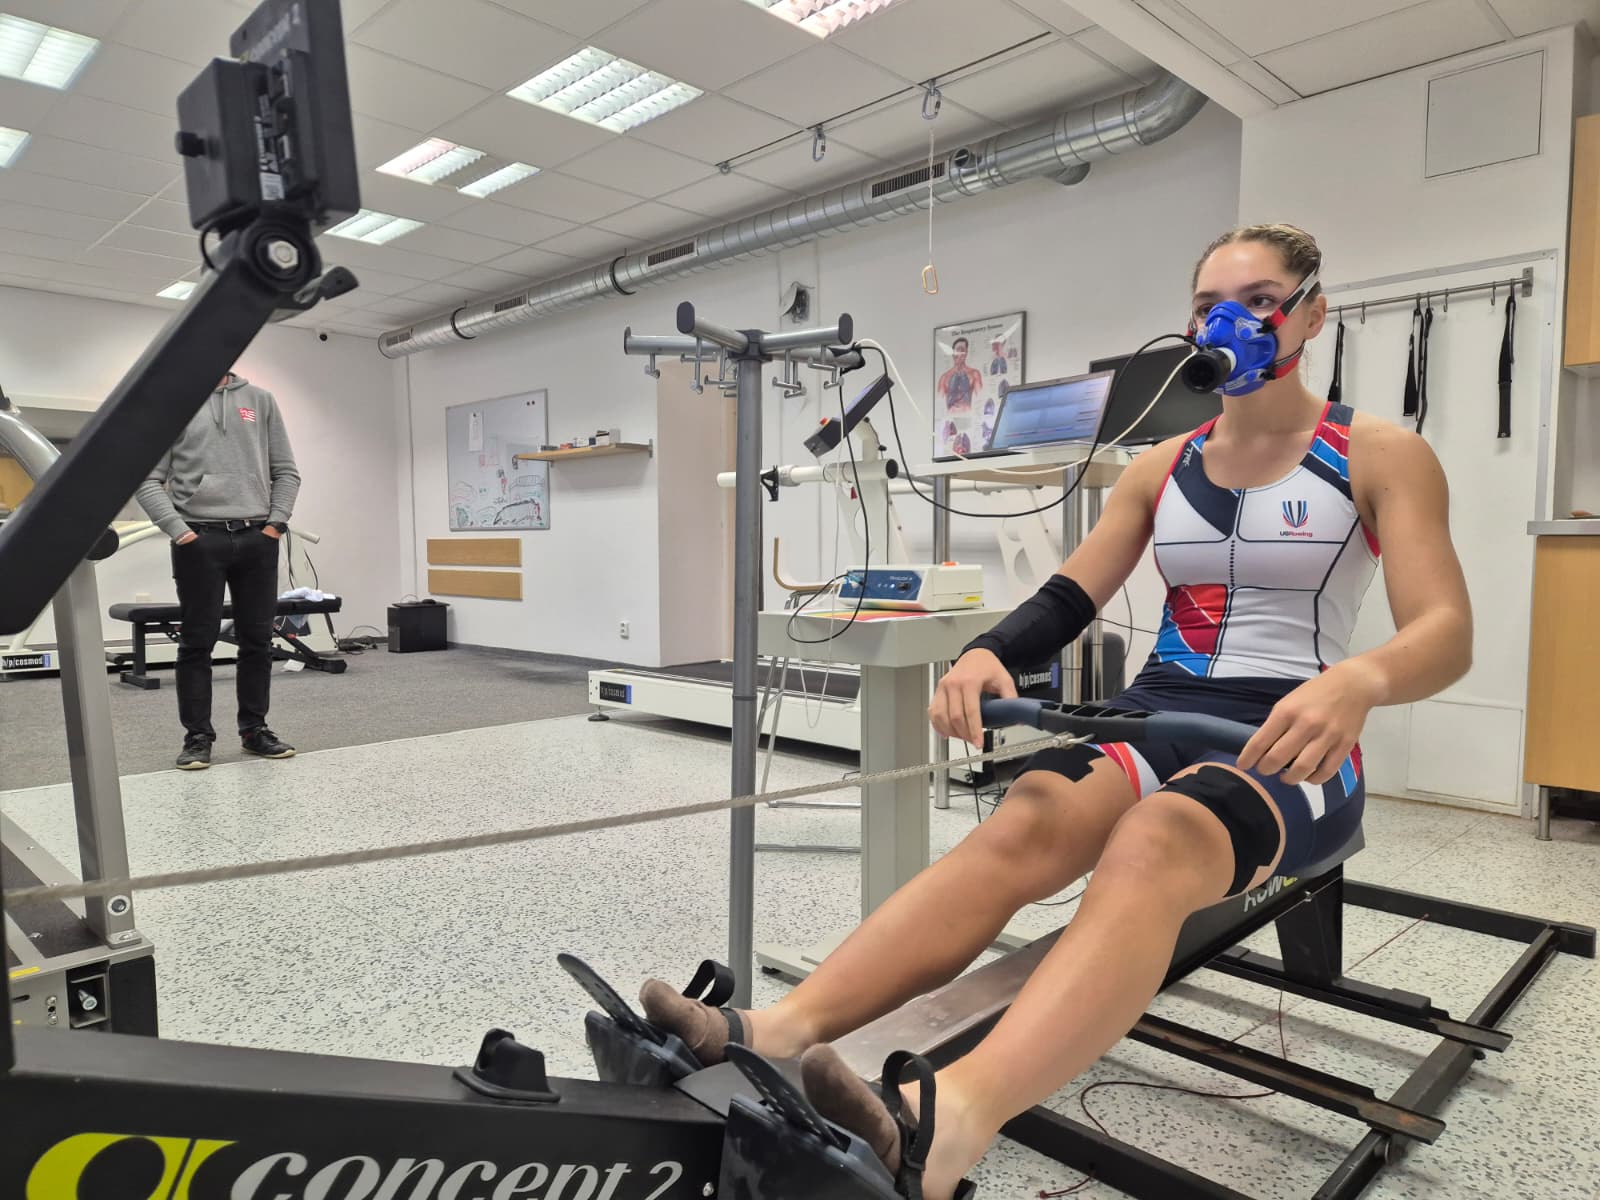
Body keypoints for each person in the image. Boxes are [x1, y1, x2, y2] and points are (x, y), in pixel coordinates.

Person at [636, 224, 1474, 1200]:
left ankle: (946, 1124)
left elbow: (1446, 630)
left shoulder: (1375, 452)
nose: (1228, 324)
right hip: (1158, 714)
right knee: (1028, 813)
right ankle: (773, 1030)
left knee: (1157, 840)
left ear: (1311, 313)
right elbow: (1069, 595)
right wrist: (986, 651)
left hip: (1291, 740)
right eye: (1207, 307)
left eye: (1256, 301)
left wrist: (1360, 681)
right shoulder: (1163, 467)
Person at [136, 371, 301, 770]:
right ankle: (197, 737)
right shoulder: (174, 404)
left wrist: (275, 524)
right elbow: (147, 479)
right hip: (199, 540)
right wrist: (179, 531)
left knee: (257, 641)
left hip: (257, 537)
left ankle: (254, 730)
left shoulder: (260, 400)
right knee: (197, 642)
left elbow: (287, 472)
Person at [937, 336, 982, 414]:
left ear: (966, 353)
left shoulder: (974, 374)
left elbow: (980, 398)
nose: (960, 354)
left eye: (962, 350)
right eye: (957, 350)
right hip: (951, 415)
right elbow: (938, 403)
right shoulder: (944, 377)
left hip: (968, 415)